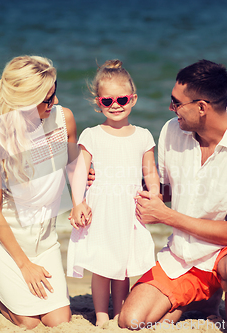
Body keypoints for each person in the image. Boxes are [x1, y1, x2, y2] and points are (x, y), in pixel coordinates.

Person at [116, 59, 227, 331]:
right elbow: (162, 190)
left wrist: (166, 217)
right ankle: (200, 299)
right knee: (131, 321)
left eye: (176, 103)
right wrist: (112, 178)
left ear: (202, 107)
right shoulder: (171, 131)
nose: (171, 108)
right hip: (183, 255)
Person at [0, 55, 75, 329]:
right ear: (23, 102)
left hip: (43, 236)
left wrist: (85, 179)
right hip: (4, 236)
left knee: (58, 320)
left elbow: (73, 161)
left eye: (55, 94)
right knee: (28, 322)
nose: (53, 103)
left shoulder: (63, 119)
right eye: (46, 99)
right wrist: (24, 265)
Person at [66, 60, 159, 326]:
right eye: (107, 101)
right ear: (98, 102)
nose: (115, 104)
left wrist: (152, 196)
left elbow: (150, 172)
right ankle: (102, 315)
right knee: (101, 266)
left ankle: (119, 311)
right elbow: (80, 173)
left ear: (133, 99)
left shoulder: (142, 135)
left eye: (122, 98)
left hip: (129, 208)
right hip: (101, 208)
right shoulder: (92, 134)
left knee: (124, 267)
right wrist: (77, 203)